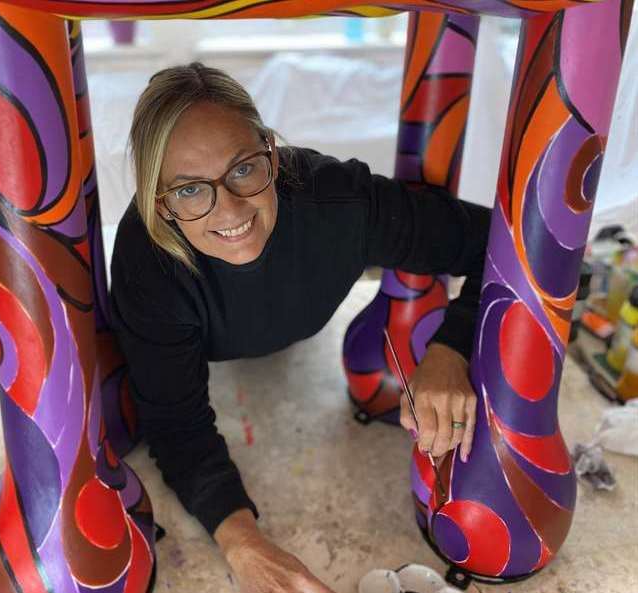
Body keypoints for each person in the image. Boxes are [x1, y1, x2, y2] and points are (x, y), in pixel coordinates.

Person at [110, 62, 490, 593]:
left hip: (301, 345)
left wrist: (452, 349)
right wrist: (244, 544)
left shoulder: (337, 203)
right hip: (212, 359)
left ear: (269, 150)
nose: (230, 208)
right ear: (160, 203)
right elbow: (176, 425)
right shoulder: (145, 261)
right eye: (191, 190)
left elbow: (493, 243)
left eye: (243, 168)